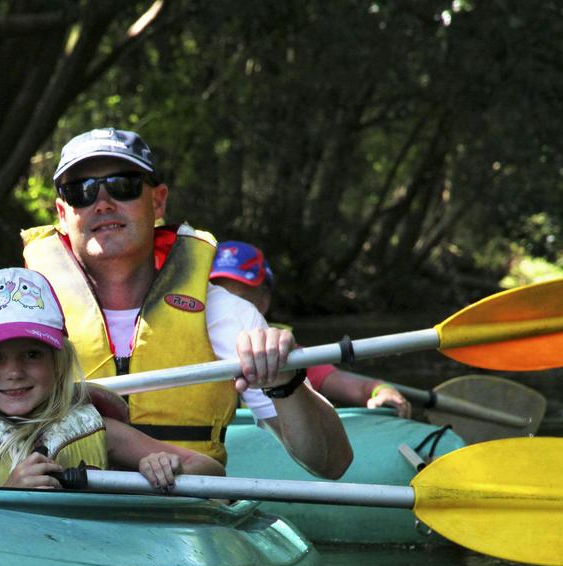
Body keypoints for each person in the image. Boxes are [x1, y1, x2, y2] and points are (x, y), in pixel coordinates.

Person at [21, 128, 351, 479]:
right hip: (60, 514)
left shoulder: (227, 314)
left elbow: (332, 463)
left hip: (184, 510)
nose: (102, 203)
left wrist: (285, 382)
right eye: (81, 192)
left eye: (123, 185)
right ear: (62, 212)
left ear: (158, 201)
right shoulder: (19, 313)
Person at [0, 267, 225, 489]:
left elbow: (209, 469)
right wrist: (10, 495)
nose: (14, 373)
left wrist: (166, 465)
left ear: (57, 362)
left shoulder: (97, 428)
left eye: (32, 354)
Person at [209, 241, 412, 418]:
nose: (227, 309)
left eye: (239, 299)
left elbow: (360, 388)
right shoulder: (185, 345)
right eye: (217, 298)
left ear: (264, 301)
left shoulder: (284, 353)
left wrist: (382, 391)